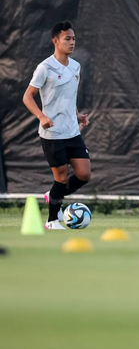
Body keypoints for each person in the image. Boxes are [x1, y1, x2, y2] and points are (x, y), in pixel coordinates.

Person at [23, 21, 91, 230]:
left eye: (73, 39)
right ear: (55, 41)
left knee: (84, 174)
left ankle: (53, 195)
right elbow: (27, 97)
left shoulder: (75, 66)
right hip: (52, 134)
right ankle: (52, 221)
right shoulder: (45, 68)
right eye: (67, 39)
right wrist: (42, 117)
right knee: (60, 177)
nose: (72, 42)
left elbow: (68, 97)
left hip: (71, 131)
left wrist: (77, 114)